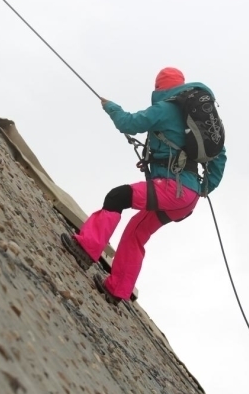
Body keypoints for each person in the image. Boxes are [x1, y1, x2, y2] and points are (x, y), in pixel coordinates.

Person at [61, 67, 227, 304]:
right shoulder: (199, 119)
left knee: (117, 197)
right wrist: (205, 188)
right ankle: (116, 289)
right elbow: (220, 155)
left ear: (159, 88)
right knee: (136, 231)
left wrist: (111, 107)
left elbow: (129, 123)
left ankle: (86, 249)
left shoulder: (165, 108)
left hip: (172, 189)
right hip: (186, 199)